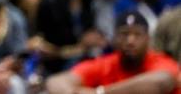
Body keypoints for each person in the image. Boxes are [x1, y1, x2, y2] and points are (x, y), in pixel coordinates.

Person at [46, 10, 180, 94]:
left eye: (137, 34)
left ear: (147, 39)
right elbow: (55, 82)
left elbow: (161, 82)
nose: (130, 41)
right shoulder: (106, 63)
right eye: (124, 34)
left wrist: (100, 92)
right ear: (114, 39)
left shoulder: (161, 61)